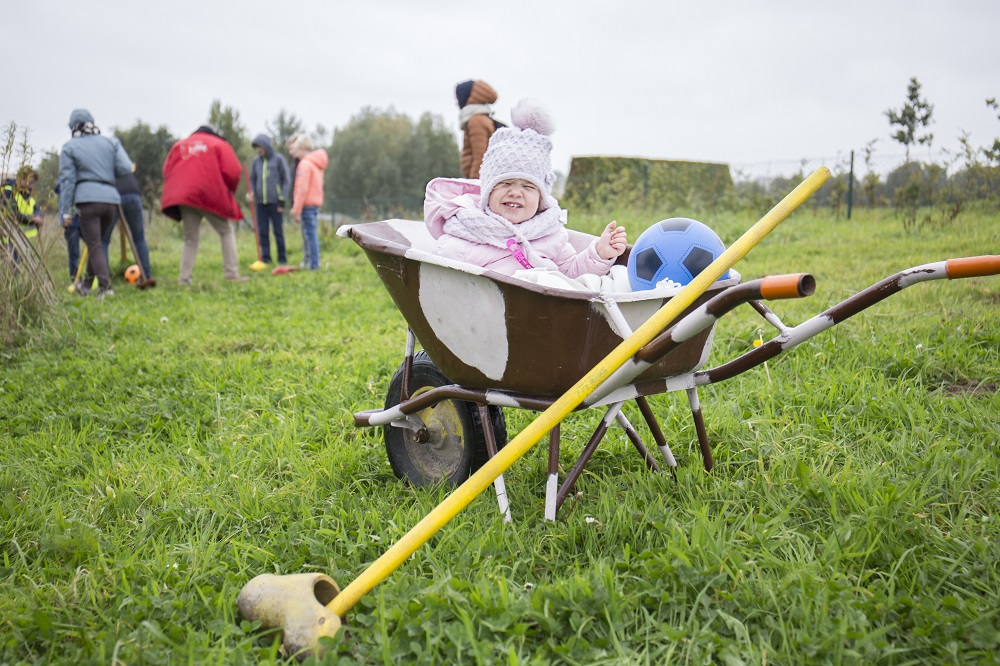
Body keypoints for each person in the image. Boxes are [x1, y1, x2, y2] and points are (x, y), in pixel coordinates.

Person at [425, 98, 626, 279]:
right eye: (505, 183)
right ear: (488, 191)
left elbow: (573, 274)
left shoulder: (551, 236)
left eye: (528, 186)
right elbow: (442, 278)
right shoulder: (465, 231)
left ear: (541, 199)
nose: (515, 192)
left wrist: (599, 253)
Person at [58, 109, 133, 297]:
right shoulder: (111, 142)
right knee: (97, 243)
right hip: (111, 201)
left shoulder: (70, 147)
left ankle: (105, 288)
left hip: (87, 201)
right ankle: (86, 285)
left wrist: (66, 212)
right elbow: (125, 167)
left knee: (94, 244)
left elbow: (67, 181)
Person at [161, 124, 249, 285]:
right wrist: (229, 190)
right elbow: (233, 171)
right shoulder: (218, 144)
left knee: (190, 239)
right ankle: (231, 274)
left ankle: (184, 279)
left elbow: (166, 170)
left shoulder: (178, 146)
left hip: (185, 196)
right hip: (209, 193)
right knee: (226, 231)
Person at [101, 163, 155, 288]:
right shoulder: (122, 162)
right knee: (139, 238)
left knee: (103, 240)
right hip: (133, 195)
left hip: (112, 196)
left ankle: (104, 281)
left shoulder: (103, 163)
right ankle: (146, 275)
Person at [246, 134, 290, 268]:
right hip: (261, 203)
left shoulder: (278, 159)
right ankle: (266, 258)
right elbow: (252, 179)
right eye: (256, 148)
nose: (258, 151)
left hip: (275, 203)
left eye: (260, 147)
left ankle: (282, 258)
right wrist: (252, 192)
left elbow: (286, 180)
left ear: (266, 146)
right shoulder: (256, 162)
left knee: (278, 231)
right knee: (263, 231)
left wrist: (282, 199)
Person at [288, 135, 328, 270]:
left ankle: (314, 265)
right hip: (315, 204)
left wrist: (296, 209)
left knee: (310, 236)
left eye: (297, 150)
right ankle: (308, 261)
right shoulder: (317, 164)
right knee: (310, 235)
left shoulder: (304, 164)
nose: (295, 153)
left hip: (306, 205)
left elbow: (302, 189)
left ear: (303, 148)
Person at [455, 79, 501, 179]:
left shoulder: (475, 121)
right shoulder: (483, 118)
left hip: (480, 179)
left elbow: (480, 157)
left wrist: (474, 184)